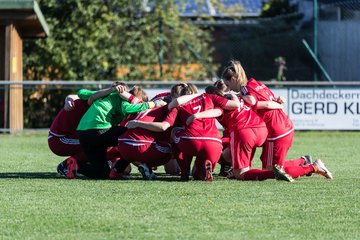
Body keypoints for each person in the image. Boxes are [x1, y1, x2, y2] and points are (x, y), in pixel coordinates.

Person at [221, 60, 333, 179]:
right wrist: (279, 103)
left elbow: (255, 102)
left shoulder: (245, 90)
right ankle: (303, 161)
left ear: (233, 79)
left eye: (228, 85)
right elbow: (274, 100)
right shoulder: (256, 83)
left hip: (277, 131)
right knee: (270, 169)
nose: (230, 90)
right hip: (284, 126)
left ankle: (313, 167)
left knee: (273, 172)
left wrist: (239, 98)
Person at [126, 83, 241, 181]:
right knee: (196, 174)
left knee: (176, 135)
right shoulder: (210, 98)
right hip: (214, 142)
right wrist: (234, 95)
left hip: (189, 141)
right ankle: (204, 169)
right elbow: (227, 108)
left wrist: (194, 115)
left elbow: (166, 119)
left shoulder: (178, 105)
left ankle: (184, 171)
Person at [184, 84, 293, 181]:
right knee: (235, 157)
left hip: (244, 131)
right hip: (261, 130)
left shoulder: (220, 103)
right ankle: (304, 164)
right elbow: (264, 104)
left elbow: (218, 111)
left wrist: (196, 115)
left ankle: (272, 173)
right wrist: (279, 105)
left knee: (239, 172)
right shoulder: (239, 98)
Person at [49, 82, 142, 179]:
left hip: (79, 135)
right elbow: (79, 95)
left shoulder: (106, 101)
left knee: (119, 168)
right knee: (101, 143)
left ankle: (82, 166)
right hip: (59, 139)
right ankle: (70, 163)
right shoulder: (99, 102)